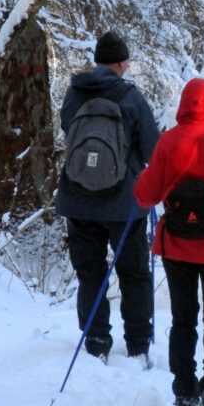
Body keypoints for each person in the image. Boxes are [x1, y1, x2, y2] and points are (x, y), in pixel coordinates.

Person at [56, 30, 159, 362]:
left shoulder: (75, 93)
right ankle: (138, 346)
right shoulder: (131, 97)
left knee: (90, 272)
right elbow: (152, 148)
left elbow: (67, 129)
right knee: (134, 274)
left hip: (78, 198)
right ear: (122, 63)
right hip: (123, 204)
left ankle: (96, 342)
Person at [133, 78, 204, 406]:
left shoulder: (168, 141)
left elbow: (145, 195)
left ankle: (184, 390)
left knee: (183, 319)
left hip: (177, 246)